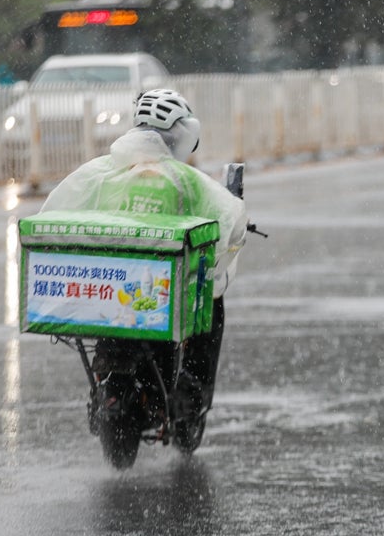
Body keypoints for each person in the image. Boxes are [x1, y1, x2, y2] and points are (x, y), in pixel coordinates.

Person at [41, 88, 247, 412]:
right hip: (157, 293)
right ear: (180, 136)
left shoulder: (104, 174)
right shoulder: (187, 181)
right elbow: (226, 223)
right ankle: (192, 389)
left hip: (110, 291)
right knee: (212, 303)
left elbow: (57, 214)